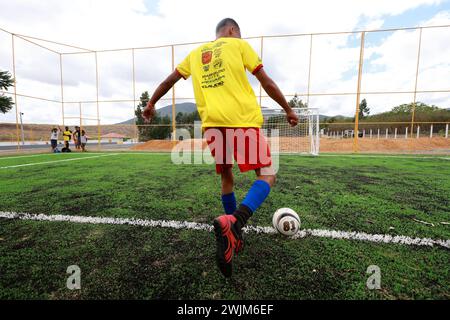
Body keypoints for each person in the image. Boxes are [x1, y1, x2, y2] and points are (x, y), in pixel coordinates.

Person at [143, 18, 298, 278]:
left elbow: (169, 80)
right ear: (231, 31)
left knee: (227, 176)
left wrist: (151, 103)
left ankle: (233, 240)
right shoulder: (239, 46)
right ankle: (235, 222)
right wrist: (288, 109)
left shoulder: (195, 54)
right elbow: (266, 81)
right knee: (268, 174)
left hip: (213, 126)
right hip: (243, 122)